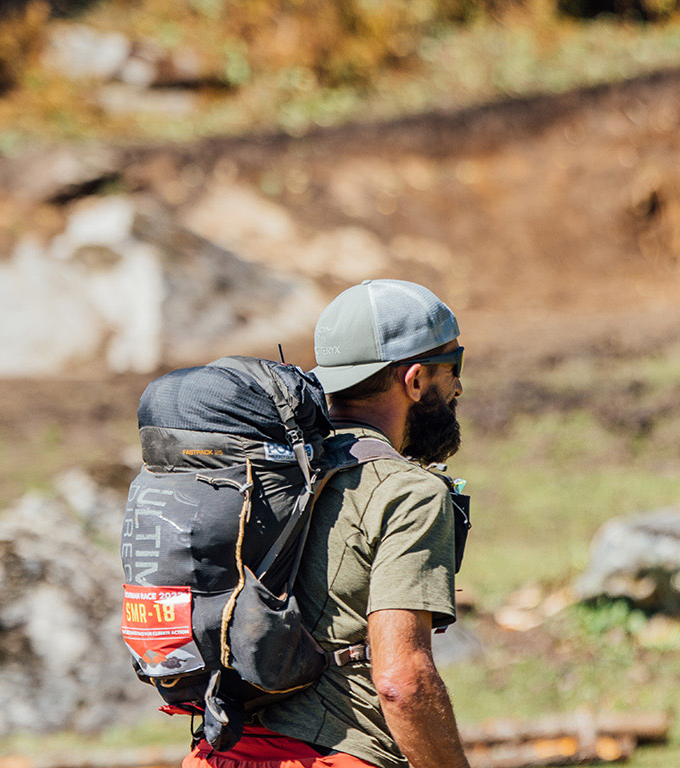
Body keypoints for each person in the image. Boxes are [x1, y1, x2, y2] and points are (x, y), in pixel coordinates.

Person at [184, 279, 470, 768]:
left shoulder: (269, 467)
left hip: (217, 752)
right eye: (454, 366)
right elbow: (402, 682)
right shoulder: (407, 492)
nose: (459, 386)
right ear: (416, 379)